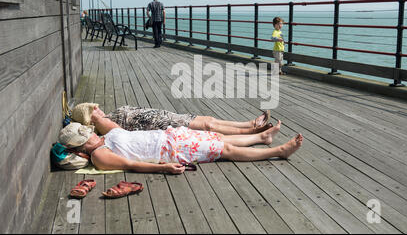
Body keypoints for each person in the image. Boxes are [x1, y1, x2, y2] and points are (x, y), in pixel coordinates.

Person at [58, 116, 303, 175]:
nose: (90, 134)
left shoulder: (105, 136)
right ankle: (278, 152)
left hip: (170, 136)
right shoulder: (100, 154)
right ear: (82, 147)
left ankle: (261, 138)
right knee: (223, 151)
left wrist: (94, 119)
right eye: (85, 136)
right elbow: (131, 165)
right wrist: (163, 168)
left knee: (218, 139)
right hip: (170, 151)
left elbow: (104, 121)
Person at [72, 103, 271, 136]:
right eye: (93, 109)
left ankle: (250, 123)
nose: (97, 108)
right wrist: (96, 122)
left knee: (208, 118)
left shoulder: (106, 116)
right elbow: (121, 134)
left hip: (162, 115)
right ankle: (252, 131)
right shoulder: (102, 123)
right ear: (90, 118)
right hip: (159, 124)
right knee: (208, 126)